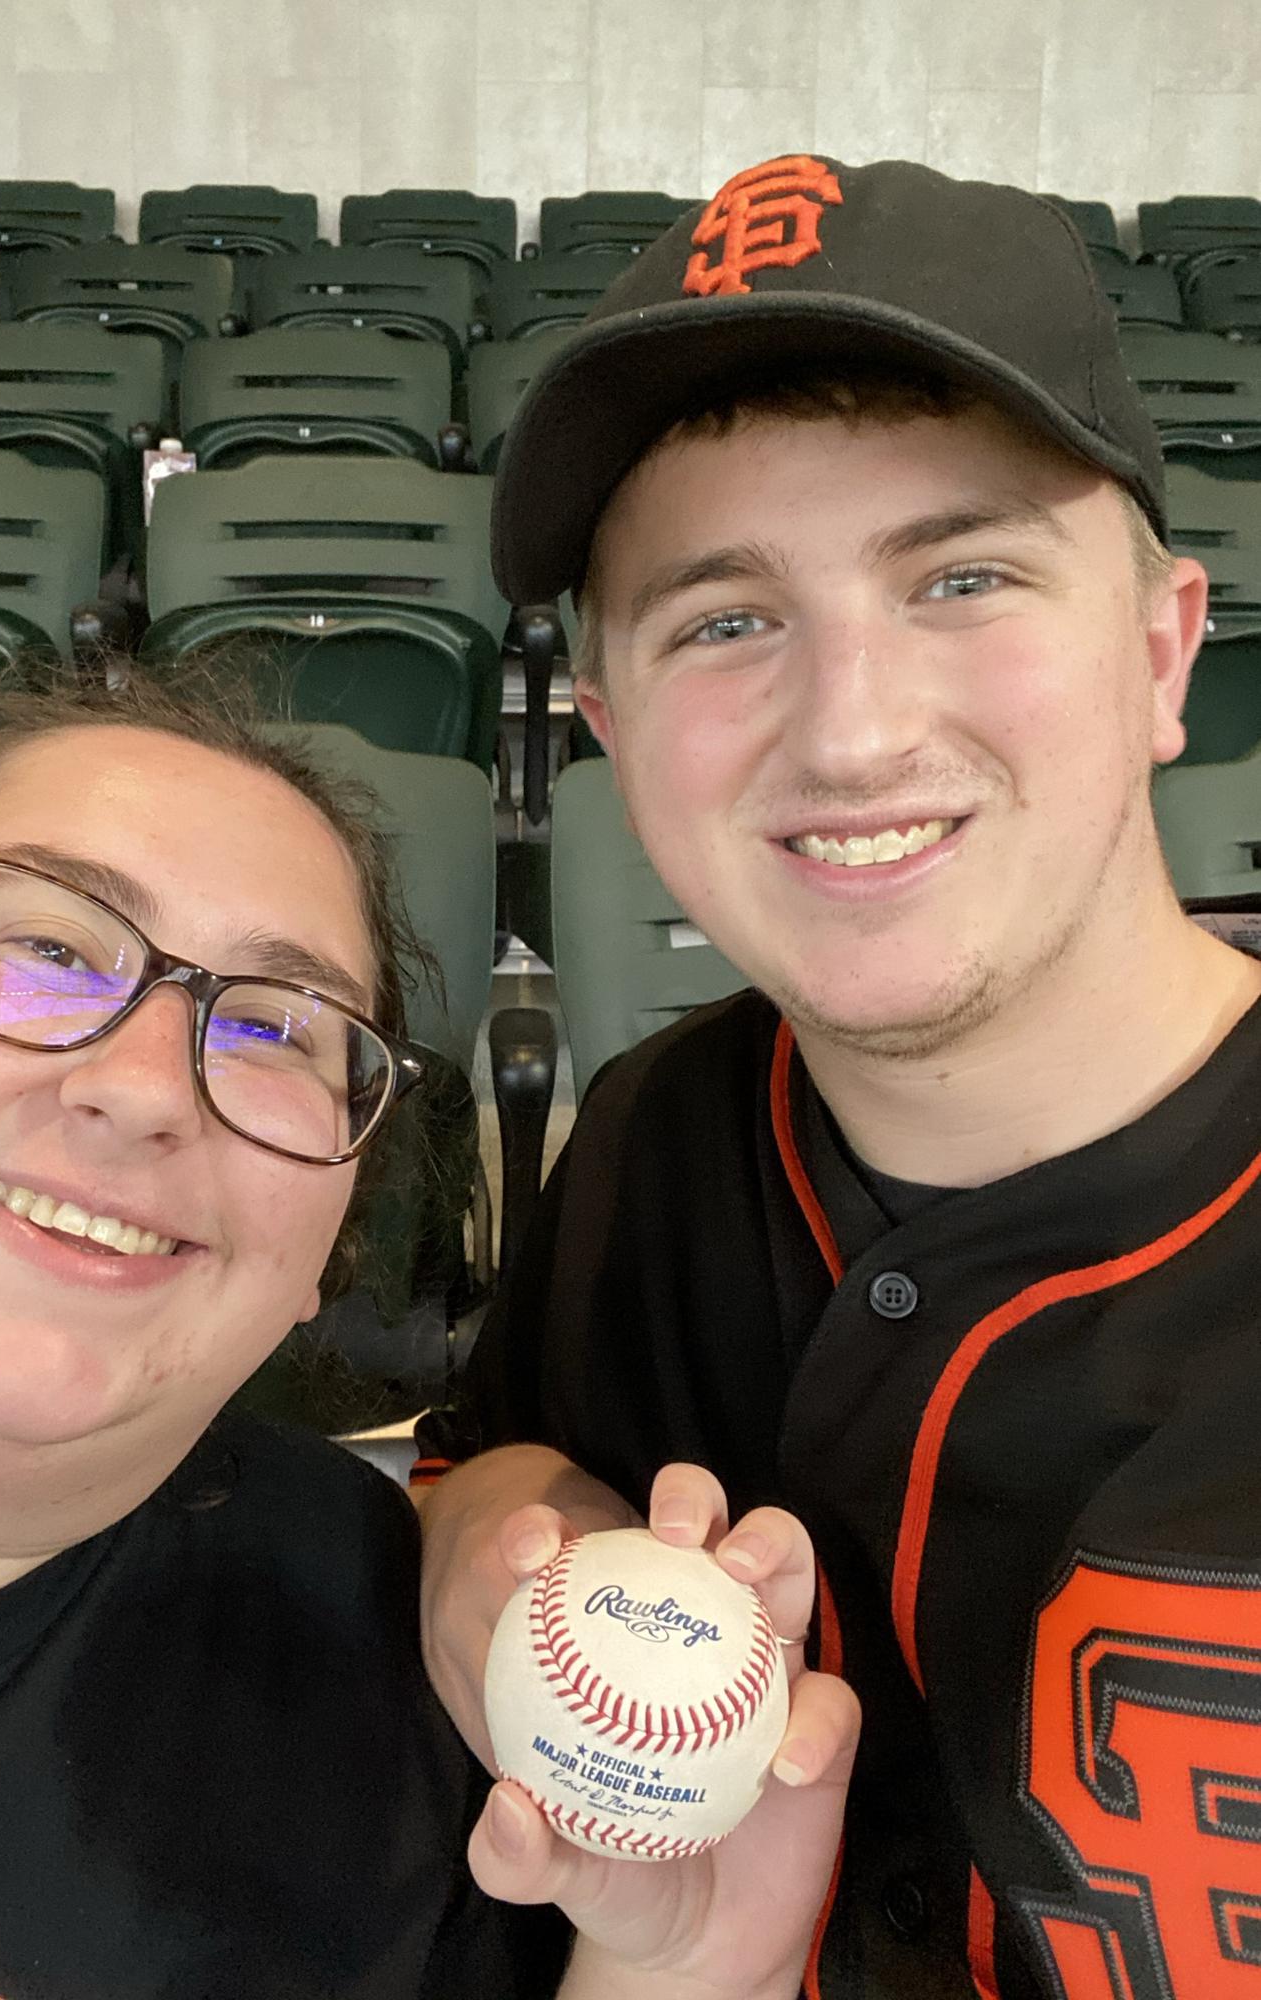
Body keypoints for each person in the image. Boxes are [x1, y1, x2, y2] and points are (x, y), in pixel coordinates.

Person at [415, 154, 1261, 1999]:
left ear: (1161, 651)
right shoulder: (654, 1139)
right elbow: (476, 1466)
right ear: (614, 739)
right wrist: (494, 1530)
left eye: (962, 576)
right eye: (726, 619)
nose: (856, 727)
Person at [0, 658, 855, 2000]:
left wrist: (683, 1978)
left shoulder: (395, 1669)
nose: (146, 1089)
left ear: (322, 1249)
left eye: (279, 1029)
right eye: (47, 949)